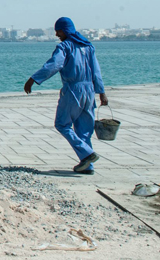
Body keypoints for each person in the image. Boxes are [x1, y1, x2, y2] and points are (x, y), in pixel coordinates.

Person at [24, 17, 108, 174]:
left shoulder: (65, 47)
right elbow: (96, 72)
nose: (56, 34)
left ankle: (87, 154)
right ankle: (87, 166)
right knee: (84, 130)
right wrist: (101, 93)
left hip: (73, 90)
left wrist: (33, 79)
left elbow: (54, 64)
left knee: (62, 124)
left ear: (66, 30)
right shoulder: (88, 47)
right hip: (89, 92)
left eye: (59, 30)